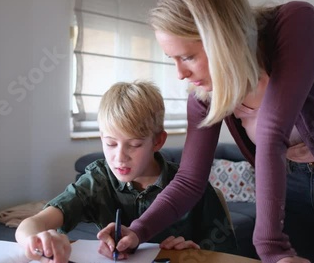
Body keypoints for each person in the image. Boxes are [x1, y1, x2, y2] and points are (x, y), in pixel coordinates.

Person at [96, 0, 314, 263]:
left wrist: (270, 247)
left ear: (221, 39)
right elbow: (190, 180)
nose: (180, 74)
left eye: (186, 56)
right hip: (290, 185)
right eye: (172, 59)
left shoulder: (296, 22)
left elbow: (272, 132)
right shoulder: (203, 94)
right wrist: (137, 230)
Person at [16, 80, 237, 262]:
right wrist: (37, 240)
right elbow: (31, 224)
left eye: (134, 145)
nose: (120, 157)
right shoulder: (97, 180)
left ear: (158, 141)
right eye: (111, 144)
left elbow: (229, 256)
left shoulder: (192, 187)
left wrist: (196, 253)